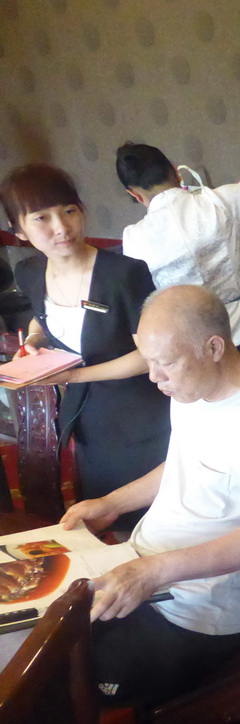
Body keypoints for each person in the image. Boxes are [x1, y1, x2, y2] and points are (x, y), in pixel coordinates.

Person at [58, 285, 240, 708]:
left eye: (166, 363)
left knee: (65, 690)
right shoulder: (190, 390)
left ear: (214, 347)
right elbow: (183, 464)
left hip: (198, 613)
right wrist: (111, 504)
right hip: (139, 568)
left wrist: (152, 573)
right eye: (149, 362)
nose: (154, 377)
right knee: (33, 637)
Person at [0, 164, 170, 526]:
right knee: (104, 516)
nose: (61, 227)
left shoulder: (123, 274)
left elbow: (149, 356)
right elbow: (41, 316)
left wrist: (71, 377)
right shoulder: (29, 272)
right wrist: (33, 340)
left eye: (69, 211)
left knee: (154, 520)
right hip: (87, 420)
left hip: (141, 417)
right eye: (42, 218)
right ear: (19, 230)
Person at [117, 141, 240, 347]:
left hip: (189, 344)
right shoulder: (220, 201)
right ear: (177, 174)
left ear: (134, 194)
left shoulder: (133, 238)